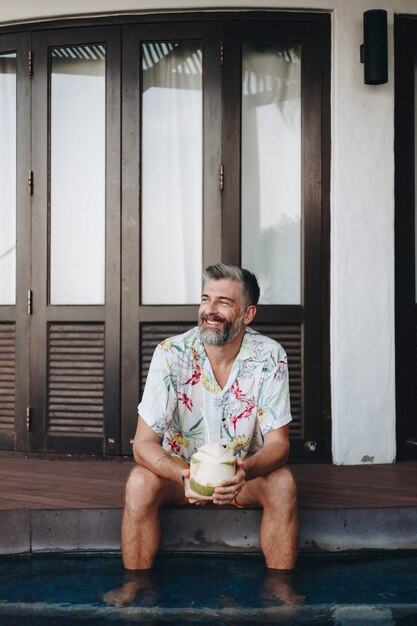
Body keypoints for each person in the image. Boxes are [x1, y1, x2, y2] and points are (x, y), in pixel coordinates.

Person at [122, 263, 298, 572]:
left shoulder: (270, 356)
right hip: (182, 478)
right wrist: (183, 476)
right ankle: (136, 594)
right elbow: (143, 444)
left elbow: (278, 445)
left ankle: (280, 598)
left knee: (283, 484)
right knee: (138, 483)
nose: (210, 310)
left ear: (248, 314)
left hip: (240, 478)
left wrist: (245, 471)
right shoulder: (171, 353)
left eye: (223, 302)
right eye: (206, 299)